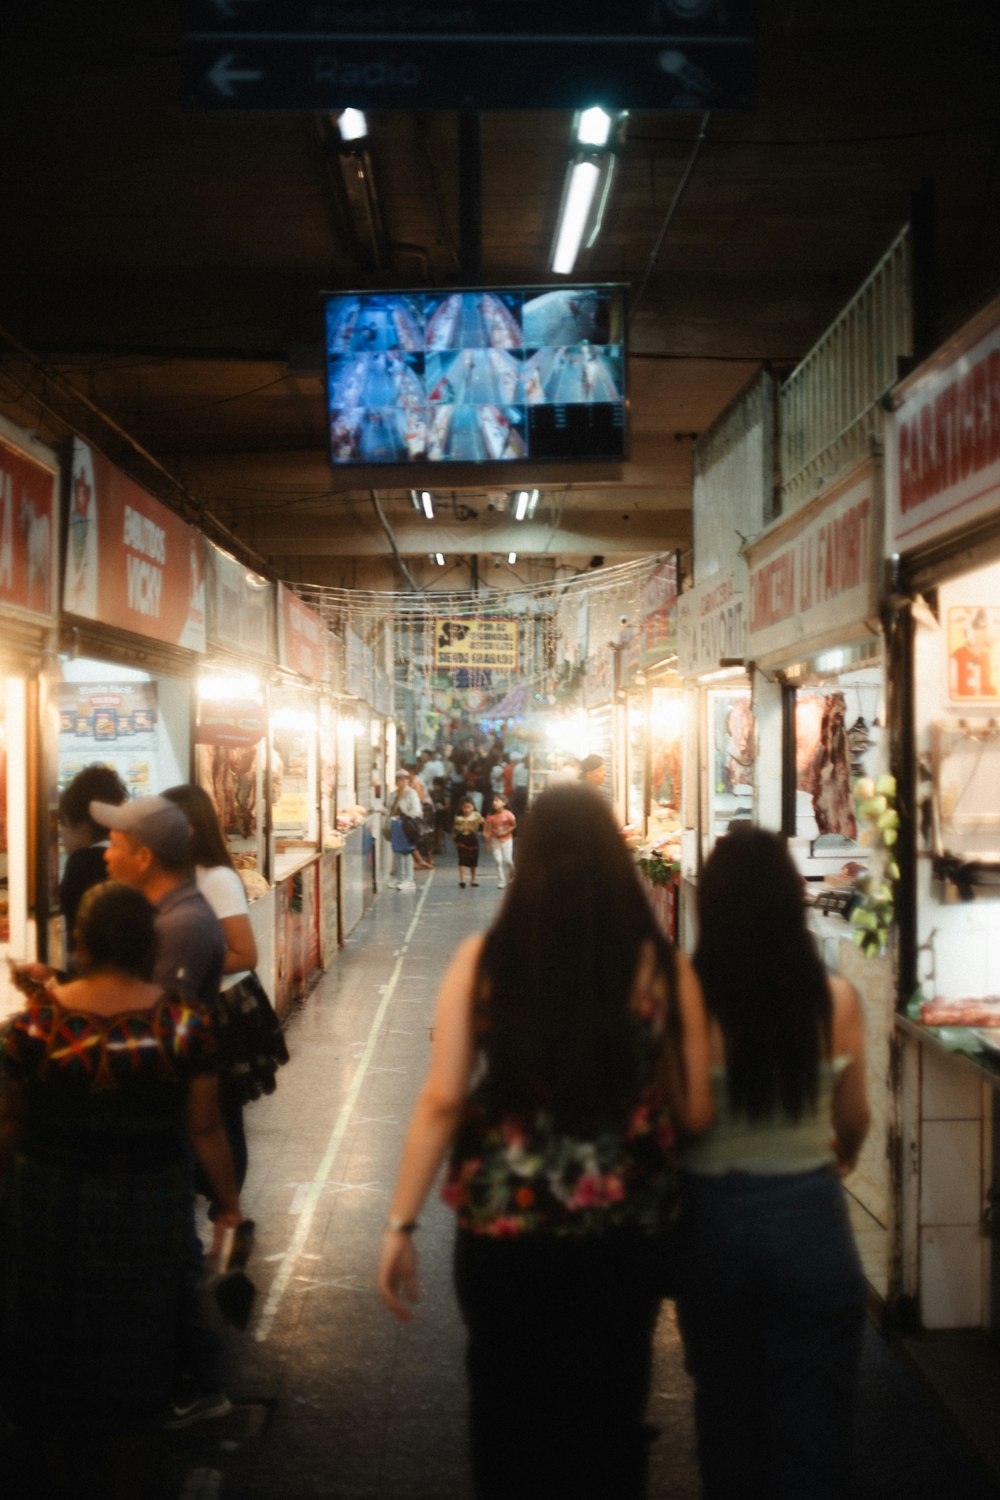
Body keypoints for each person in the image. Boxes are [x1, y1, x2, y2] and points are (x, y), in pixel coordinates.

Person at [377, 783, 712, 1500]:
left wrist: (401, 1223)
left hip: (506, 1222)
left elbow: (442, 1098)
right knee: (610, 1412)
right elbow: (697, 1110)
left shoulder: (485, 960)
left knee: (507, 1408)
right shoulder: (661, 966)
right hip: (621, 1227)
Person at [0, 882, 242, 1500]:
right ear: (148, 945)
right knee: (138, 1350)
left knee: (51, 1346)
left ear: (78, 943)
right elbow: (206, 1126)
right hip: (149, 1202)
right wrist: (229, 1203)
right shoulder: (186, 1023)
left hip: (48, 1203)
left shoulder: (31, 1027)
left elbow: (9, 1123)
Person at [676, 825, 870, 1500]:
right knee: (817, 1429)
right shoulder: (835, 999)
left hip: (711, 1226)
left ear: (713, 906)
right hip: (811, 1220)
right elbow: (854, 1120)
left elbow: (677, 1118)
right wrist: (834, 1157)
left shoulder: (688, 1002)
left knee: (726, 1411)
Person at [163, 784, 260, 1196]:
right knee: (196, 1114)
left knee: (220, 1115)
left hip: (221, 1009)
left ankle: (227, 1211)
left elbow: (244, 953)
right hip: (188, 1008)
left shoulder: (217, 879)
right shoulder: (174, 877)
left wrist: (187, 967)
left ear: (186, 829)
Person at [57, 761, 129, 953]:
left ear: (81, 824)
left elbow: (75, 937)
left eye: (62, 823)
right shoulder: (129, 859)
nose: (61, 834)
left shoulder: (83, 863)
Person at [388, 770, 422, 892]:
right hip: (395, 826)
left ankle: (409, 879)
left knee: (406, 851)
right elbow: (389, 808)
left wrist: (403, 815)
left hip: (406, 826)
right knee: (397, 851)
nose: (402, 781)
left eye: (405, 779)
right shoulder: (393, 794)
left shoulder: (411, 794)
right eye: (399, 779)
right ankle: (400, 878)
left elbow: (416, 811)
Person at [484, 791, 516, 890]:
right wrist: (487, 844)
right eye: (494, 801)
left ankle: (513, 874)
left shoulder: (509, 814)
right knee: (498, 860)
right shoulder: (490, 817)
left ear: (504, 803)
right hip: (495, 840)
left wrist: (506, 832)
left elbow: (514, 825)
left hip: (507, 840)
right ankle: (502, 881)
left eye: (497, 800)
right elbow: (487, 830)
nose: (494, 803)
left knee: (508, 860)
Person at [452, 794, 484, 888]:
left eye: (469, 807)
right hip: (461, 838)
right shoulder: (458, 818)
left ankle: (473, 879)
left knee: (473, 860)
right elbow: (453, 827)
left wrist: (486, 834)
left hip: (472, 838)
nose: (467, 809)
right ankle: (462, 880)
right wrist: (453, 836)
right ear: (461, 807)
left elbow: (485, 823)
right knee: (462, 859)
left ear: (473, 807)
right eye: (465, 807)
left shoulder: (476, 816)